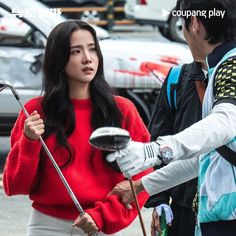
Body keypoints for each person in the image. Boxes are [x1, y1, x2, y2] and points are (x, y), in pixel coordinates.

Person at [3, 20, 152, 236]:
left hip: (101, 226)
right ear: (59, 58)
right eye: (75, 51)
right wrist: (29, 141)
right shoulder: (35, 112)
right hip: (46, 226)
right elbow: (15, 185)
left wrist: (103, 216)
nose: (87, 58)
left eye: (92, 49)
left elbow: (142, 177)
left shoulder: (122, 110)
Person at [107, 0, 236, 235]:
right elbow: (212, 156)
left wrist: (153, 151)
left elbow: (225, 122)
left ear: (195, 23)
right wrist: (143, 185)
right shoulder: (220, 66)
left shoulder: (232, 66)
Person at [145, 61, 207, 236]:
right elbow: (158, 141)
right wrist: (159, 199)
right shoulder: (178, 78)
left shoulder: (227, 77)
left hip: (226, 208)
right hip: (182, 209)